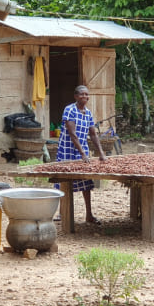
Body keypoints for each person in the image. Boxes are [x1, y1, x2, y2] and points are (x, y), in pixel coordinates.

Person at [55, 85, 107, 224]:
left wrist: (101, 153)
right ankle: (62, 213)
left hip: (82, 149)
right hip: (67, 150)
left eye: (86, 95)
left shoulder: (88, 113)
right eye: (82, 94)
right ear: (76, 96)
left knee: (86, 182)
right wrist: (83, 154)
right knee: (64, 181)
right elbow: (72, 134)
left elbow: (93, 134)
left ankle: (89, 214)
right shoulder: (69, 110)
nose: (85, 97)